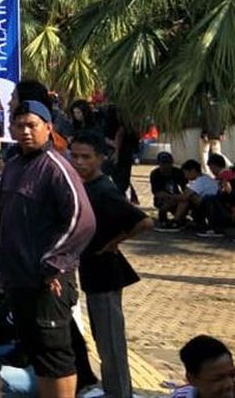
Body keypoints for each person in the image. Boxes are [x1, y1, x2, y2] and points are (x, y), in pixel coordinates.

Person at [0, 100, 95, 398]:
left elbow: (83, 219)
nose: (25, 131)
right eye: (19, 125)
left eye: (32, 125)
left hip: (48, 282)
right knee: (37, 353)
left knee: (56, 356)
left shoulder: (56, 167)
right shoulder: (14, 165)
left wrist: (54, 262)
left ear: (48, 128)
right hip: (19, 281)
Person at [69, 132, 152, 398]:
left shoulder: (104, 189)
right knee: (103, 340)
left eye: (86, 157)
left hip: (106, 272)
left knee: (111, 345)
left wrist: (115, 241)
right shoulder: (85, 185)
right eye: (75, 156)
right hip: (92, 272)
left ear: (100, 159)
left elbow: (143, 221)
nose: (79, 162)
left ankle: (119, 393)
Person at [151, 152, 189, 229]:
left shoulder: (178, 172)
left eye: (168, 163)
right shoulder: (155, 174)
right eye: (163, 163)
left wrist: (178, 197)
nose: (165, 166)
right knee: (163, 202)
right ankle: (163, 218)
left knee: (184, 201)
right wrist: (169, 197)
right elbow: (157, 192)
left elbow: (185, 188)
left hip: (176, 197)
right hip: (163, 198)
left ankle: (178, 219)